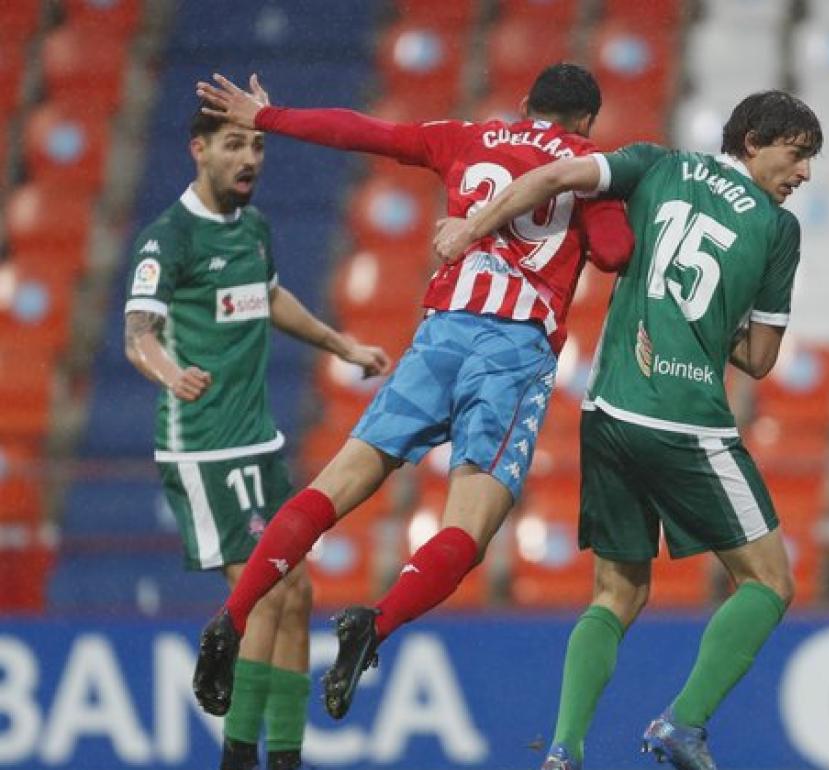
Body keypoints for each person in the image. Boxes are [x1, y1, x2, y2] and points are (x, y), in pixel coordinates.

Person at [189, 63, 634, 721]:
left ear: (523, 104)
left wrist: (270, 118)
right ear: (587, 123)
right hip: (513, 352)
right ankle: (375, 621)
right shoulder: (591, 167)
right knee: (468, 527)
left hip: (441, 333)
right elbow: (614, 252)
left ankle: (232, 614)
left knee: (335, 484)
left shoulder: (470, 137)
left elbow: (362, 132)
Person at [434, 90, 822, 770]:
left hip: (607, 410)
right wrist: (712, 322)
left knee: (617, 593)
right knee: (768, 583)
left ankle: (563, 749)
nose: (804, 175)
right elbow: (760, 360)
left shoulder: (655, 164)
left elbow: (553, 177)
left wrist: (470, 229)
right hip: (684, 417)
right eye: (797, 155)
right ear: (754, 141)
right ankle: (684, 723)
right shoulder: (777, 229)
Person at [123, 81, 392, 770]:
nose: (251, 157)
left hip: (260, 441)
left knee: (298, 594)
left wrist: (343, 346)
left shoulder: (254, 228)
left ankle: (286, 758)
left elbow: (269, 297)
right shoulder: (169, 237)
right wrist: (168, 372)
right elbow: (138, 333)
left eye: (259, 144)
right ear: (199, 150)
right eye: (235, 143)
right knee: (271, 589)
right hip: (205, 445)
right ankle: (242, 758)